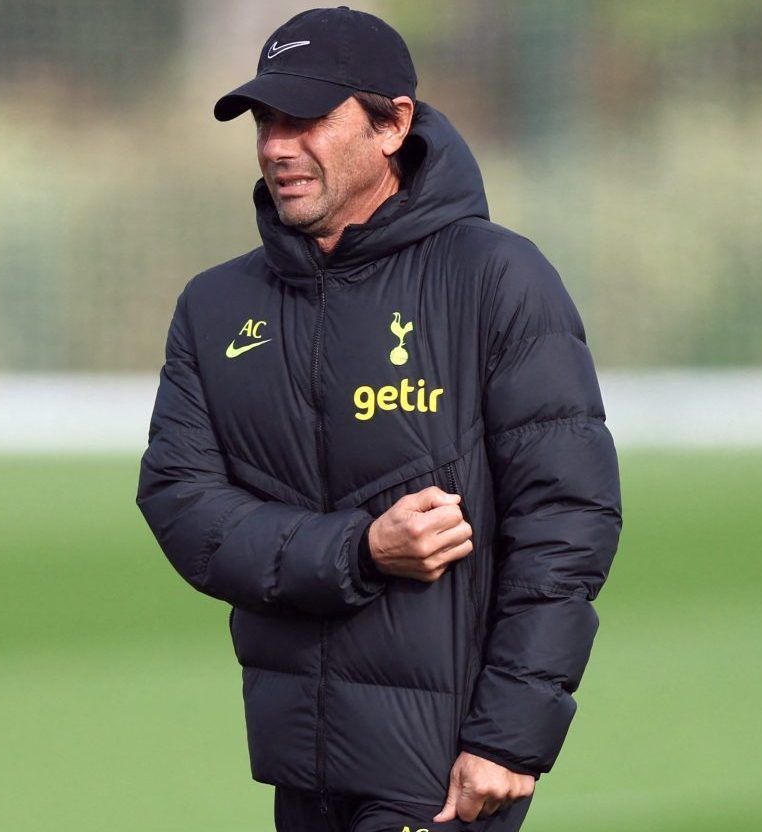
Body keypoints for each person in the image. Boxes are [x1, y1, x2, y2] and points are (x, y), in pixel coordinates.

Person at [136, 7, 623, 831]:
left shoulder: (497, 277)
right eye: (264, 120)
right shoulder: (215, 306)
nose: (276, 146)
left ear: (392, 124)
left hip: (441, 774)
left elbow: (566, 521)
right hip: (300, 771)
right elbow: (182, 506)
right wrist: (358, 551)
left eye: (306, 119)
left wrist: (510, 737)